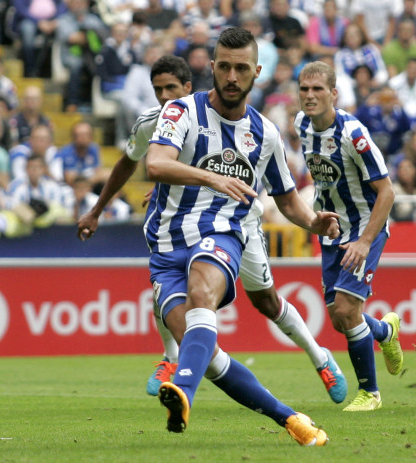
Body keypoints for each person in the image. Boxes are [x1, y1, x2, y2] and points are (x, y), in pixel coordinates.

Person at [77, 52, 348, 404]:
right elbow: (136, 164)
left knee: (266, 301)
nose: (163, 97)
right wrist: (99, 209)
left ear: (188, 86)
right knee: (171, 289)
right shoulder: (152, 122)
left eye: (170, 88)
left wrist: (313, 222)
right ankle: (173, 359)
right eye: (157, 90)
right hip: (180, 224)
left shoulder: (253, 128)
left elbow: (277, 193)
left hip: (237, 223)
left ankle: (320, 356)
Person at [295, 60, 404, 411]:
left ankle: (370, 393)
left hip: (364, 227)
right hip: (331, 229)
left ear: (334, 94)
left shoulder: (353, 134)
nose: (310, 96)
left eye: (318, 89)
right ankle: (385, 333)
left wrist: (365, 241)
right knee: (341, 318)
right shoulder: (301, 125)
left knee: (346, 308)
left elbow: (386, 192)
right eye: (304, 89)